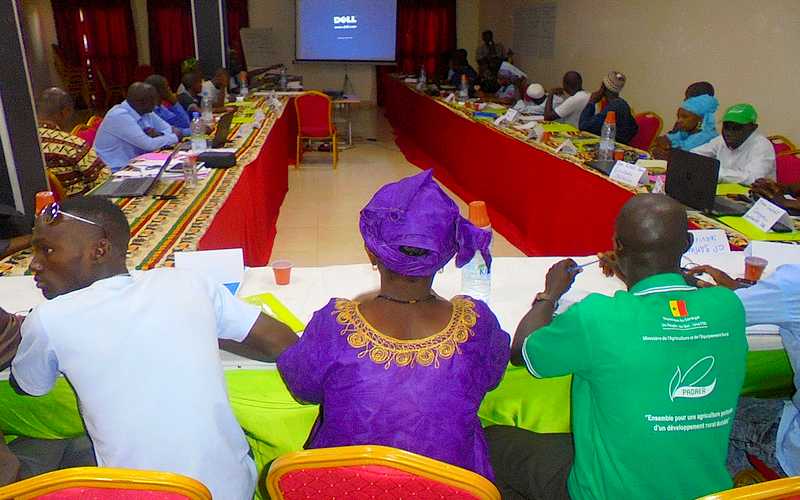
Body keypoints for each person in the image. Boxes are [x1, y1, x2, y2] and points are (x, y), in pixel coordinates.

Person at [11, 197, 299, 499]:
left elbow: (30, 387)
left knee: (55, 444)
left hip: (143, 494)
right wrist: (197, 324)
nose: (35, 263)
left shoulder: (49, 319)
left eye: (47, 249)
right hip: (230, 490)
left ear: (100, 249)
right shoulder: (188, 284)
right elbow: (283, 342)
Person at [486, 194, 747, 500]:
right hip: (703, 492)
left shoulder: (597, 316)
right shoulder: (729, 307)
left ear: (617, 246)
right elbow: (674, 308)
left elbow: (523, 352)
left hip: (605, 494)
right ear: (688, 245)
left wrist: (550, 293)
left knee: (491, 443)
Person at [277, 170, 510, 480]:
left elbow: (303, 388)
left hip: (344, 487)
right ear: (443, 259)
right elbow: (491, 379)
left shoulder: (335, 326)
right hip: (448, 488)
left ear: (371, 254)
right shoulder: (476, 324)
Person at [684, 264, 799, 478]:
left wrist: (644, 272)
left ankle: (741, 483)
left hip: (795, 454)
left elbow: (708, 316)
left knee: (698, 411)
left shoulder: (792, 284)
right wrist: (738, 290)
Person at [36, 88, 110, 197]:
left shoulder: (19, 144)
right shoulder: (72, 144)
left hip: (37, 208)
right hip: (80, 208)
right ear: (65, 112)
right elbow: (105, 182)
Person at [93, 83, 180, 172]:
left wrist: (160, 134)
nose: (156, 104)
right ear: (141, 102)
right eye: (154, 100)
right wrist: (174, 137)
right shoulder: (119, 116)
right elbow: (149, 145)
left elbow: (168, 129)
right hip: (114, 170)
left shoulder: (144, 110)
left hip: (138, 164)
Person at [691, 103, 775, 185]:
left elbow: (753, 179)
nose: (729, 133)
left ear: (753, 128)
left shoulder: (762, 146)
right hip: (725, 193)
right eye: (726, 127)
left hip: (755, 196)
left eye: (736, 128)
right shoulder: (721, 140)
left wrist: (715, 172)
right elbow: (693, 155)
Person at [579, 70, 638, 144]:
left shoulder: (614, 107)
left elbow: (583, 127)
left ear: (603, 87)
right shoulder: (622, 103)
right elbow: (634, 128)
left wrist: (592, 102)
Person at [652, 94, 720, 158]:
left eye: (685, 117)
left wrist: (666, 149)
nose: (679, 121)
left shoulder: (707, 136)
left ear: (701, 119)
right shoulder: (686, 131)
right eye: (678, 117)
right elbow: (661, 139)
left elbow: (680, 155)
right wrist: (666, 146)